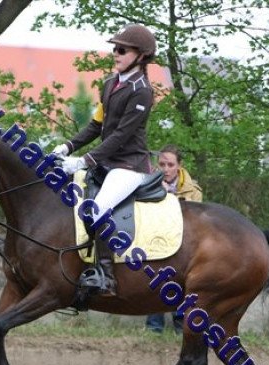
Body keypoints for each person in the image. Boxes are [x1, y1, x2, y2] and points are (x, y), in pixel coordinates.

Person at [52, 24, 157, 297]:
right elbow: (97, 126)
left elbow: (122, 135)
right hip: (107, 162)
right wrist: (67, 146)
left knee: (96, 211)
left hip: (129, 166)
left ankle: (106, 277)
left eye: (122, 50)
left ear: (141, 56)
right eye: (114, 49)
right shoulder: (111, 83)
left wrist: (83, 160)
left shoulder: (142, 90)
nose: (116, 53)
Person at [145, 144, 203, 333]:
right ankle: (154, 328)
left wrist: (169, 195)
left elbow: (194, 221)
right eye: (162, 164)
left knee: (182, 283)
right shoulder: (149, 183)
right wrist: (158, 190)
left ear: (179, 165)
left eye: (170, 164)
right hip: (156, 241)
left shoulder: (193, 190)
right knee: (156, 283)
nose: (165, 169)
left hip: (183, 244)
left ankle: (180, 327)